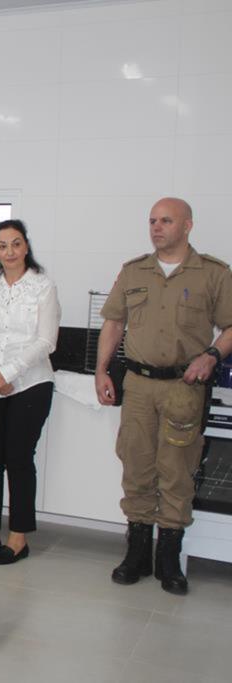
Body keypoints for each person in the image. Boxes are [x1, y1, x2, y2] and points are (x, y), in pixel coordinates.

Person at [96, 197, 232, 594]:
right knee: (136, 467)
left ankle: (169, 559)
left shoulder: (213, 273)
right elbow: (113, 323)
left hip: (183, 387)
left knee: (176, 471)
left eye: (166, 221)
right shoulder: (134, 270)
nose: (156, 227)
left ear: (187, 225)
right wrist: (102, 370)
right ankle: (137, 554)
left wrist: (211, 356)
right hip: (138, 385)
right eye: (153, 221)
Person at [0, 219, 59, 566]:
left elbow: (46, 340)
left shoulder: (43, 287)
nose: (9, 251)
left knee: (18, 459)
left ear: (26, 247)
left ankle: (19, 537)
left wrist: (7, 374)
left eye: (15, 244)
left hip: (30, 384)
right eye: (2, 245)